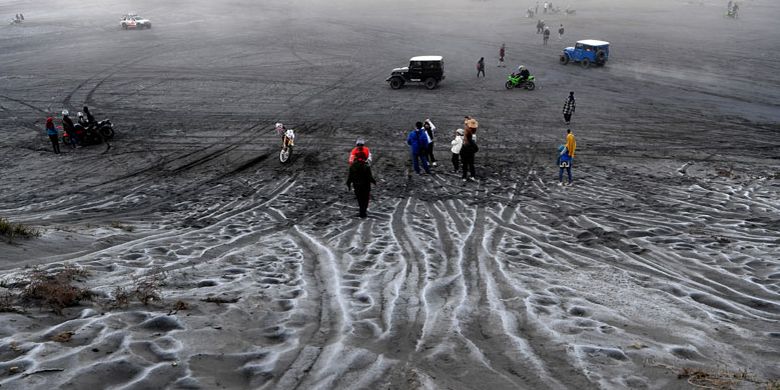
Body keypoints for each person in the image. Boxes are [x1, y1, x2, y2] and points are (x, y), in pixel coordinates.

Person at [346, 150, 376, 219]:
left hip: (357, 185)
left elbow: (350, 177)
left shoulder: (352, 166)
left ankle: (361, 211)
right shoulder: (366, 166)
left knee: (359, 199)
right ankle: (363, 212)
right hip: (366, 185)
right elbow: (369, 177)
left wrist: (349, 184)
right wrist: (374, 182)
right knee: (365, 199)